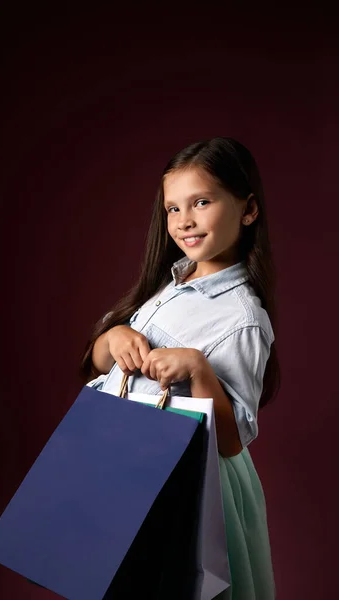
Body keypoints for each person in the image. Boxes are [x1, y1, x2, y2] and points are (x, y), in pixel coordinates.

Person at [79, 137, 280, 600]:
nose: (184, 220)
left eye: (202, 202)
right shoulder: (173, 280)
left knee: (168, 581)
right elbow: (100, 366)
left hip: (178, 473)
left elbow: (233, 439)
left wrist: (199, 369)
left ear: (248, 209)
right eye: (172, 209)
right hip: (123, 455)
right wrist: (111, 340)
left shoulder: (243, 317)